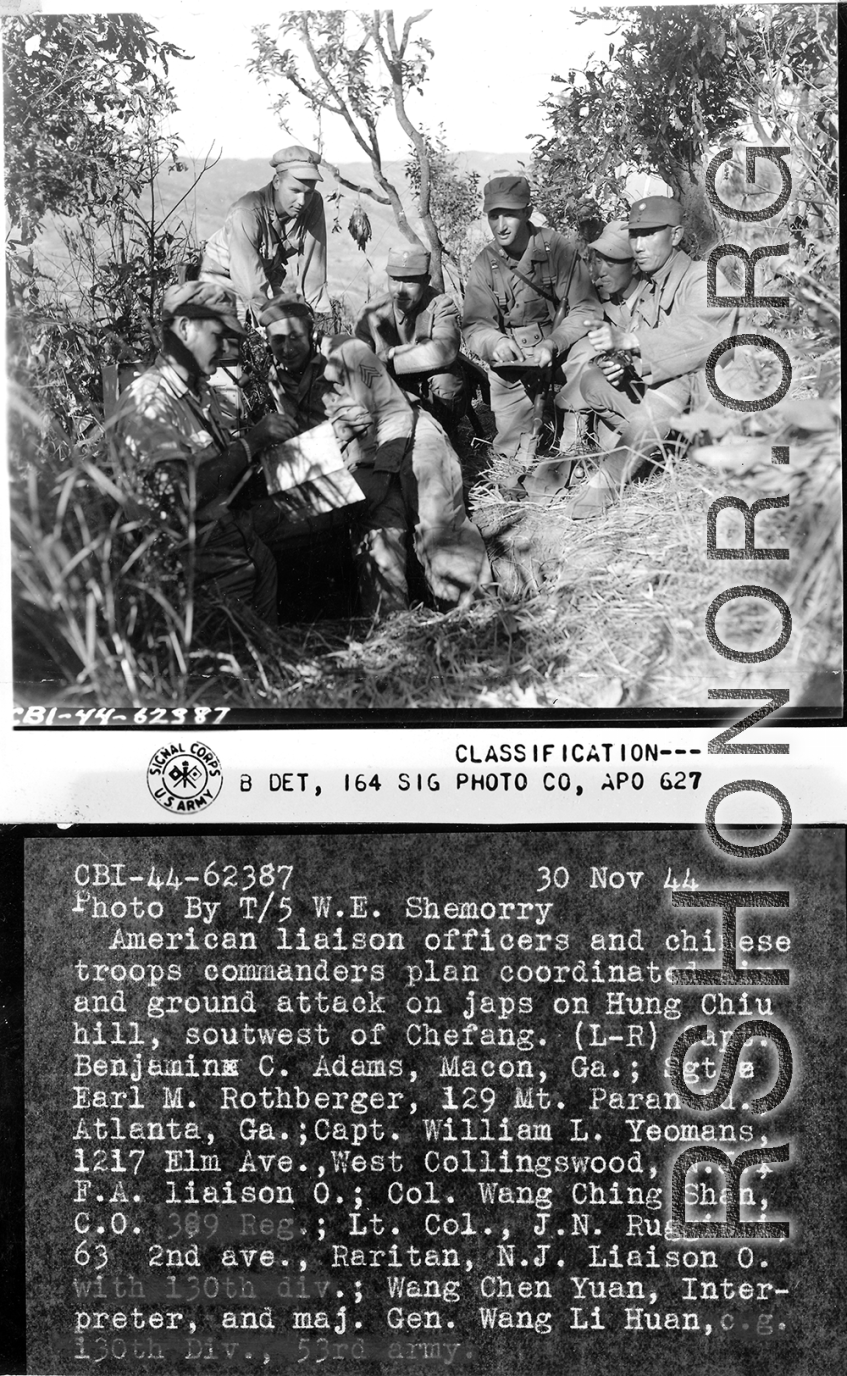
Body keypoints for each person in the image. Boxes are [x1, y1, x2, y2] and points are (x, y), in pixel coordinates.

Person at [255, 290, 491, 617]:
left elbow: (393, 412)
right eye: (277, 340)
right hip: (359, 456)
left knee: (436, 515)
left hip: (409, 435)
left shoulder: (348, 353)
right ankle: (394, 632)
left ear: (310, 331)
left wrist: (382, 476)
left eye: (295, 337)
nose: (287, 347)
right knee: (376, 536)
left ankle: (477, 618)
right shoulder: (277, 380)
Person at [112, 282, 297, 627]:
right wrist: (250, 444)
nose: (228, 347)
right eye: (219, 335)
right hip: (204, 570)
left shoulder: (200, 394)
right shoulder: (150, 403)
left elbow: (218, 476)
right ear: (184, 328)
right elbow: (175, 498)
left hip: (242, 550)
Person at [568, 196, 739, 520]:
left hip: (710, 398)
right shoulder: (651, 287)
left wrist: (631, 341)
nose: (639, 244)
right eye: (634, 235)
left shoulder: (704, 276)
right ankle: (666, 449)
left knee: (675, 386)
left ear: (675, 236)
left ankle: (612, 477)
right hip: (674, 404)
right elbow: (648, 351)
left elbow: (701, 335)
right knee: (593, 380)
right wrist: (625, 365)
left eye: (649, 234)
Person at [461, 173, 602, 482]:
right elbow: (475, 325)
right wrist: (495, 343)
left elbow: (587, 308)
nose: (500, 224)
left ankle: (574, 443)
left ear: (527, 212)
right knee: (512, 455)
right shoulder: (485, 262)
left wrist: (555, 342)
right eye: (493, 215)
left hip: (559, 346)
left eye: (509, 214)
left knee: (588, 351)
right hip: (514, 358)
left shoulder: (556, 249)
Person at [199, 146, 332, 321]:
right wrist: (267, 318)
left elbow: (314, 262)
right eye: (295, 191)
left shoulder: (313, 204)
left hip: (265, 278)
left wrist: (313, 316)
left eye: (308, 193)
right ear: (277, 181)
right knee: (234, 335)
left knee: (297, 325)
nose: (302, 201)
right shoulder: (247, 212)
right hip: (221, 277)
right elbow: (251, 284)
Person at [354, 246, 467, 433]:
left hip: (430, 383)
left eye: (410, 282)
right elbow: (359, 363)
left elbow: (444, 352)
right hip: (388, 389)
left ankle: (447, 431)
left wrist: (391, 355)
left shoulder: (441, 306)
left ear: (425, 281)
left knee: (446, 381)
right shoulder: (370, 314)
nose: (400, 290)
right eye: (394, 280)